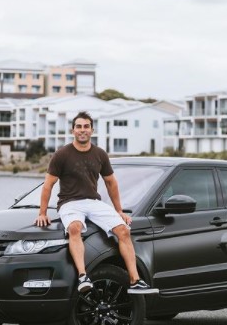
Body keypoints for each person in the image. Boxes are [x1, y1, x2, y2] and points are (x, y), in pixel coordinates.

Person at [35, 111, 158, 295]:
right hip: (70, 203)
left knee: (124, 230)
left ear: (92, 130)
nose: (82, 130)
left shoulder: (99, 154)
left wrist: (119, 211)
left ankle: (135, 280)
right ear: (73, 130)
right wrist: (42, 213)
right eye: (79, 127)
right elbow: (48, 185)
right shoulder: (61, 154)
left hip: (93, 202)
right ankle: (83, 276)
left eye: (86, 126)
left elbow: (111, 183)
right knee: (75, 228)